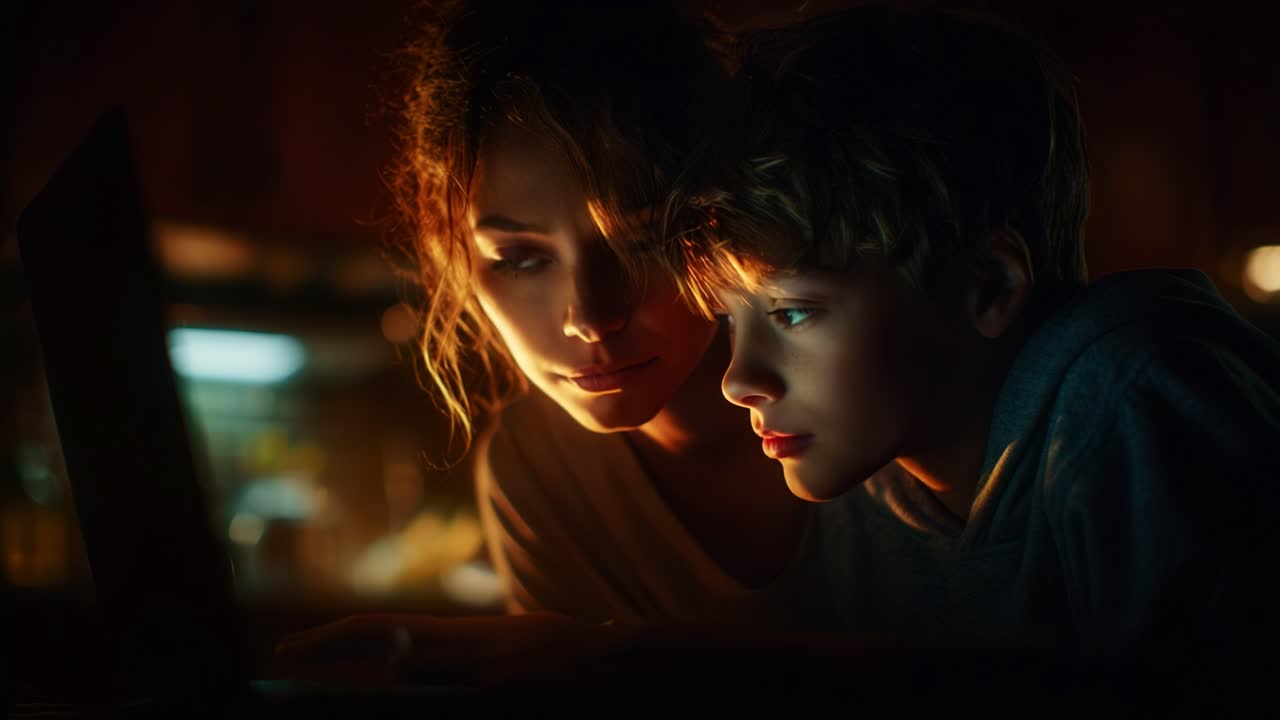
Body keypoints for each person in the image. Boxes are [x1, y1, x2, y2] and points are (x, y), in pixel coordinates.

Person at [660, 4, 1280, 702]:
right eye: (729, 321)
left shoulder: (1136, 402)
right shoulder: (867, 488)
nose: (737, 380)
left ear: (987, 286)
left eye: (793, 311)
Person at [387, 0, 828, 628]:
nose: (590, 317)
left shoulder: (864, 399)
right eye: (518, 258)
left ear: (724, 217)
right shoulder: (538, 466)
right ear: (451, 251)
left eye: (644, 241)